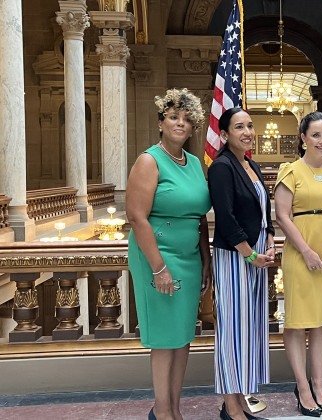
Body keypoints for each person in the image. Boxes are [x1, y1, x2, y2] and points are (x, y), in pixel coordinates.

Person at [126, 88, 211, 420]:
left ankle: (175, 408)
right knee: (164, 337)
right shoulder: (149, 160)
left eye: (187, 120)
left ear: (192, 128)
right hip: (156, 257)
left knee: (182, 336)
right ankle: (162, 411)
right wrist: (159, 268)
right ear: (161, 122)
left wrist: (205, 259)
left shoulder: (192, 163)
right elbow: (136, 216)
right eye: (174, 117)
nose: (180, 123)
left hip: (189, 258)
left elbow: (199, 215)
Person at [274, 111, 322, 417]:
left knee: (321, 321)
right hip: (300, 253)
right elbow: (282, 215)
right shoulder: (290, 171)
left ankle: (319, 385)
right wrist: (305, 250)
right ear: (303, 138)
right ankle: (302, 388)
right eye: (316, 135)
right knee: (297, 321)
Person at [207, 107, 275, 420]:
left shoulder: (250, 164)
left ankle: (241, 398)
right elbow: (225, 216)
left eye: (250, 126)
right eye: (239, 127)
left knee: (249, 330)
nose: (247, 132)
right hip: (236, 256)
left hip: (258, 254)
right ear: (224, 134)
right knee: (233, 330)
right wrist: (250, 253)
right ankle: (231, 406)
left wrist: (271, 238)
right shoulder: (221, 167)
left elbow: (263, 210)